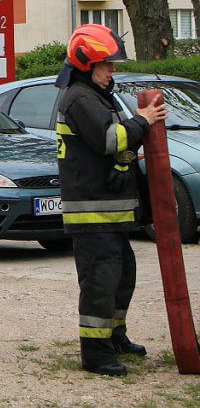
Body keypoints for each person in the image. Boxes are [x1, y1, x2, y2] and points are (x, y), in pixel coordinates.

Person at [55, 24, 167, 376]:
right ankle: (96, 352)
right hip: (93, 213)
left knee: (122, 276)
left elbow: (117, 148)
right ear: (87, 64)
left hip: (108, 211)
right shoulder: (80, 98)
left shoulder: (94, 96)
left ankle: (114, 336)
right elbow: (109, 140)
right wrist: (143, 121)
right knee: (101, 282)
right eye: (107, 64)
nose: (112, 71)